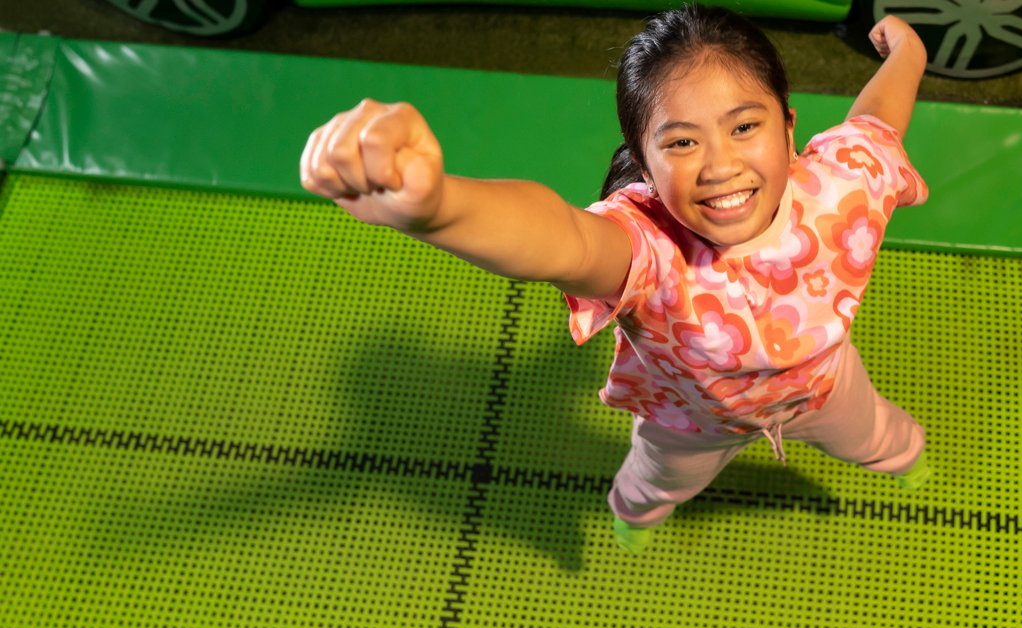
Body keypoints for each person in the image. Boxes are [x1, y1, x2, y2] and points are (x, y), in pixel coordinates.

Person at [300, 3, 931, 554]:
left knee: (879, 433)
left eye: (745, 126)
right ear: (645, 164)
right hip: (688, 424)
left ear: (789, 128)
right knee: (651, 484)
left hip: (824, 387)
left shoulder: (843, 185)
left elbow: (877, 123)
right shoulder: (649, 250)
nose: (720, 166)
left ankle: (906, 463)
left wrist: (911, 49)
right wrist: (439, 207)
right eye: (681, 143)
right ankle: (635, 519)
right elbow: (563, 239)